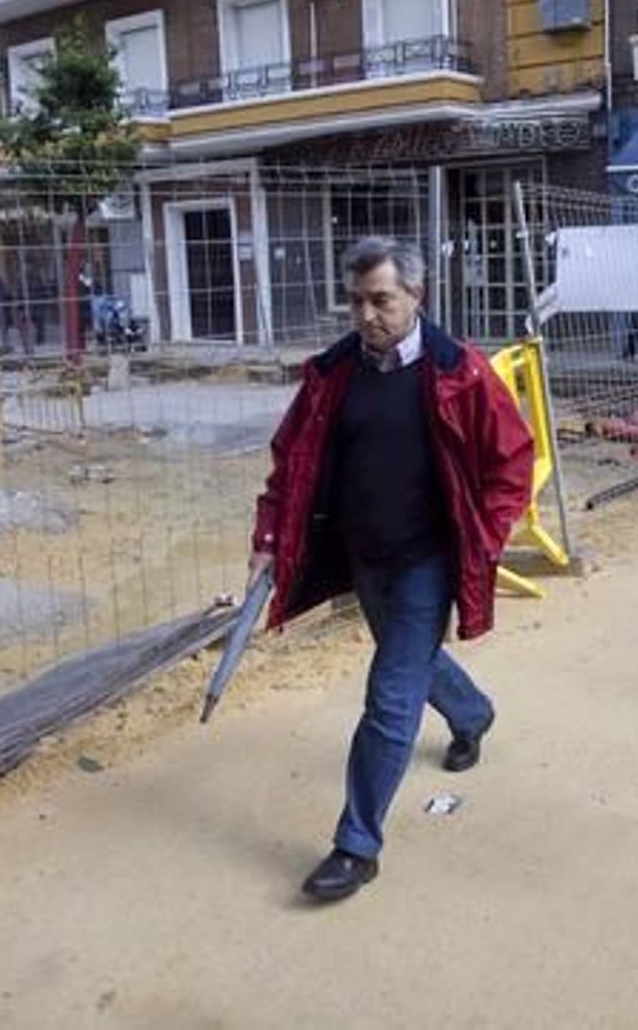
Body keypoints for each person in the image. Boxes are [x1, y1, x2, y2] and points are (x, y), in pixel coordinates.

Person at [248, 236, 534, 903]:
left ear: (416, 297)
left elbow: (510, 464)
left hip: (426, 561)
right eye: (356, 302)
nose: (367, 315)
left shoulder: (458, 371)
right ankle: (473, 713)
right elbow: (291, 461)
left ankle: (356, 846)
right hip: (363, 556)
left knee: (390, 697)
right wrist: (268, 534)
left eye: (382, 300)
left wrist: (483, 538)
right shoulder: (335, 373)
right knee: (411, 659)